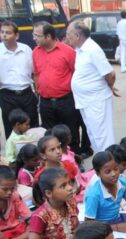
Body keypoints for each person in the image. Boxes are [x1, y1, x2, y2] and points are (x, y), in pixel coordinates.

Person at [32, 21, 89, 155]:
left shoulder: (67, 51)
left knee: (70, 131)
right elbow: (36, 74)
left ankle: (74, 157)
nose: (34, 38)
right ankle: (55, 161)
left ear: (48, 36)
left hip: (66, 100)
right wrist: (37, 92)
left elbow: (77, 73)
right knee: (49, 134)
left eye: (37, 35)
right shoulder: (35, 52)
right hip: (45, 101)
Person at [67, 21, 118, 152]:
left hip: (97, 100)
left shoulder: (92, 49)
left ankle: (108, 165)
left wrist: (110, 86)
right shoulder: (80, 50)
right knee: (93, 134)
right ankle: (101, 164)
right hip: (85, 101)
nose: (67, 38)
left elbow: (110, 73)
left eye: (69, 35)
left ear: (77, 35)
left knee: (102, 136)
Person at [28, 168, 85, 239]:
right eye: (63, 186)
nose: (70, 188)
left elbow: (76, 227)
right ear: (49, 193)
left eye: (69, 183)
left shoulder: (71, 203)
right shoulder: (40, 217)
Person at [0, 20, 39, 139]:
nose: (4, 35)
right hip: (7, 95)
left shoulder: (26, 49)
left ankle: (34, 155)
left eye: (8, 32)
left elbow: (34, 72)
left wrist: (37, 92)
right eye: (2, 32)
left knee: (31, 126)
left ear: (16, 35)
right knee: (11, 128)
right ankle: (14, 156)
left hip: (26, 93)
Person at [84, 151, 126, 231]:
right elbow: (88, 226)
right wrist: (116, 228)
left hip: (118, 219)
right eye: (107, 171)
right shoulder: (94, 195)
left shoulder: (122, 183)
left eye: (116, 169)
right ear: (98, 174)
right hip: (101, 228)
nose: (114, 174)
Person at [0, 166, 30, 239]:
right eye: (5, 189)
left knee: (35, 229)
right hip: (3, 238)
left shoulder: (15, 196)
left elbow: (29, 218)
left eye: (12, 189)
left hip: (18, 233)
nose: (9, 192)